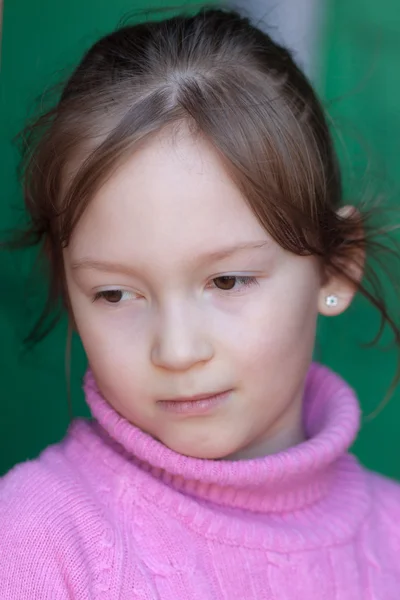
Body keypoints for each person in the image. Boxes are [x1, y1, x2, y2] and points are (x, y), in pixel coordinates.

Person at [1, 7, 400, 599]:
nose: (178, 350)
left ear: (335, 269)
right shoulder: (34, 542)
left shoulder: (392, 540)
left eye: (228, 281)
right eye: (114, 293)